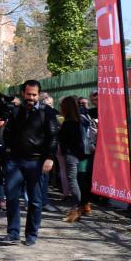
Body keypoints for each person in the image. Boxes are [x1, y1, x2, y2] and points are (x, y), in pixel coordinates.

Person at [0, 80, 59, 247]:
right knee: (11, 198)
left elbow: (54, 136)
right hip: (15, 161)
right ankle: (13, 233)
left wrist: (50, 157)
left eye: (34, 94)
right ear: (23, 93)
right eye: (28, 94)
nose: (31, 97)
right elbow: (7, 133)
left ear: (39, 94)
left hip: (37, 161)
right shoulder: (15, 111)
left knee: (35, 200)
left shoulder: (47, 112)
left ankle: (31, 234)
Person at [58, 95, 93, 223]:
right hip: (82, 154)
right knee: (80, 181)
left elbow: (64, 140)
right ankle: (82, 207)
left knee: (73, 181)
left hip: (71, 155)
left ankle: (76, 210)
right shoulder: (80, 120)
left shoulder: (68, 123)